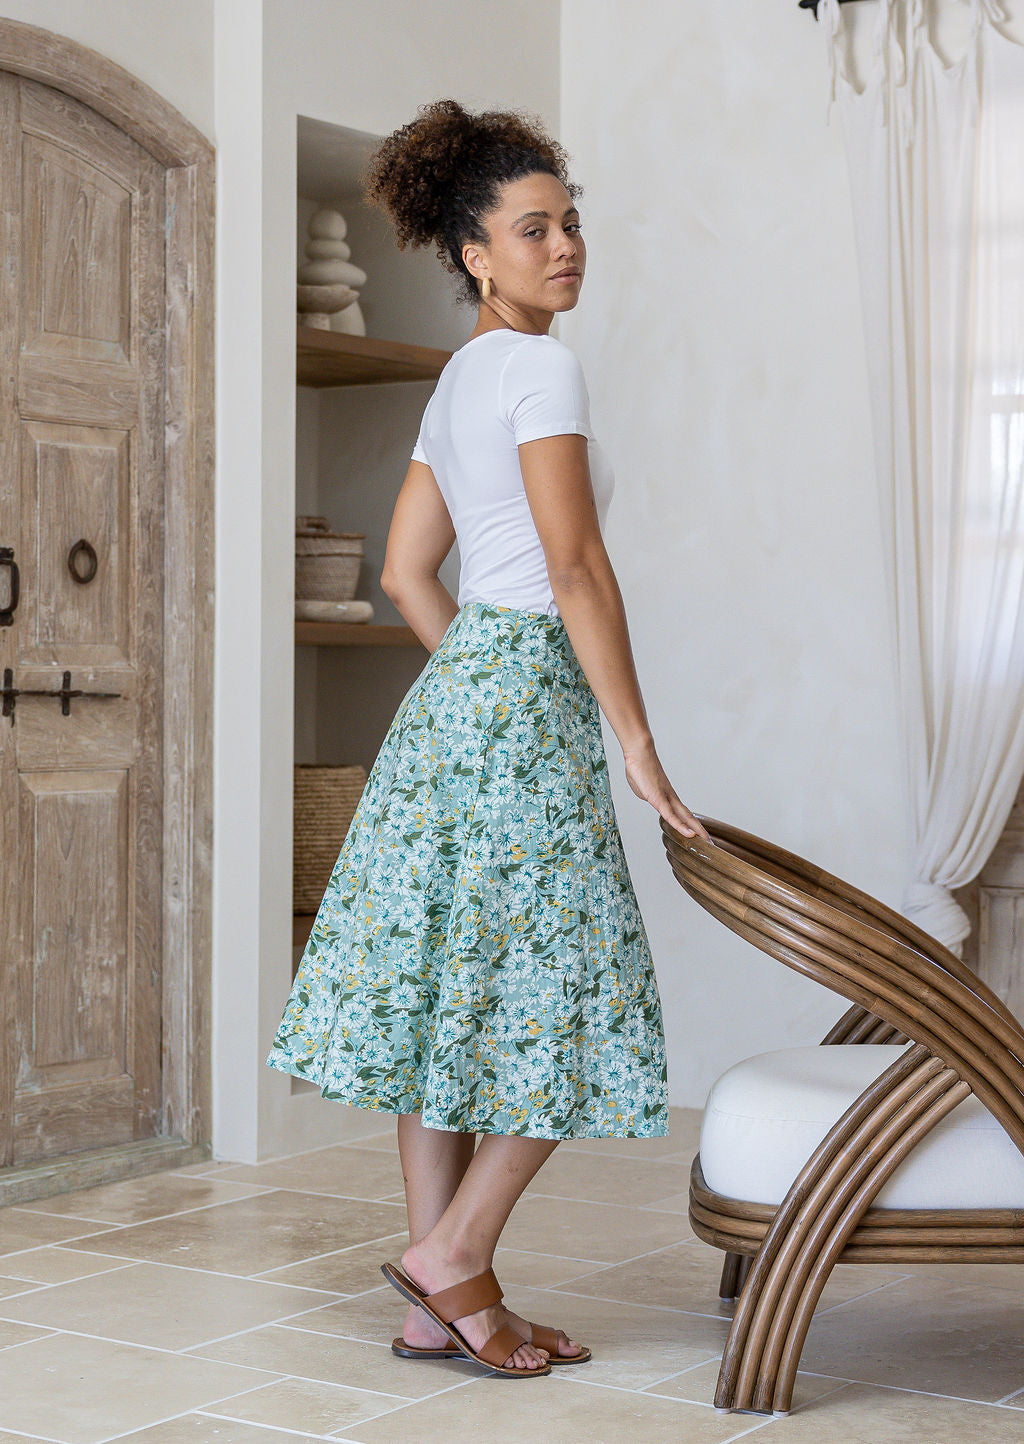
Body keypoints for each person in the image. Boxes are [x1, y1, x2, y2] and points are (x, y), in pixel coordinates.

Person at [267, 98, 709, 1380]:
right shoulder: (541, 369)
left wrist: (476, 670)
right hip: (526, 699)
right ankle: (455, 1253)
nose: (564, 247)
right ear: (473, 251)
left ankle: (435, 1293)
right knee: (576, 1000)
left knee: (445, 999)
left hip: (455, 699)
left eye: (570, 224)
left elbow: (409, 574)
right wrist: (632, 734)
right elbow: (573, 565)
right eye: (533, 230)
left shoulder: (458, 378)